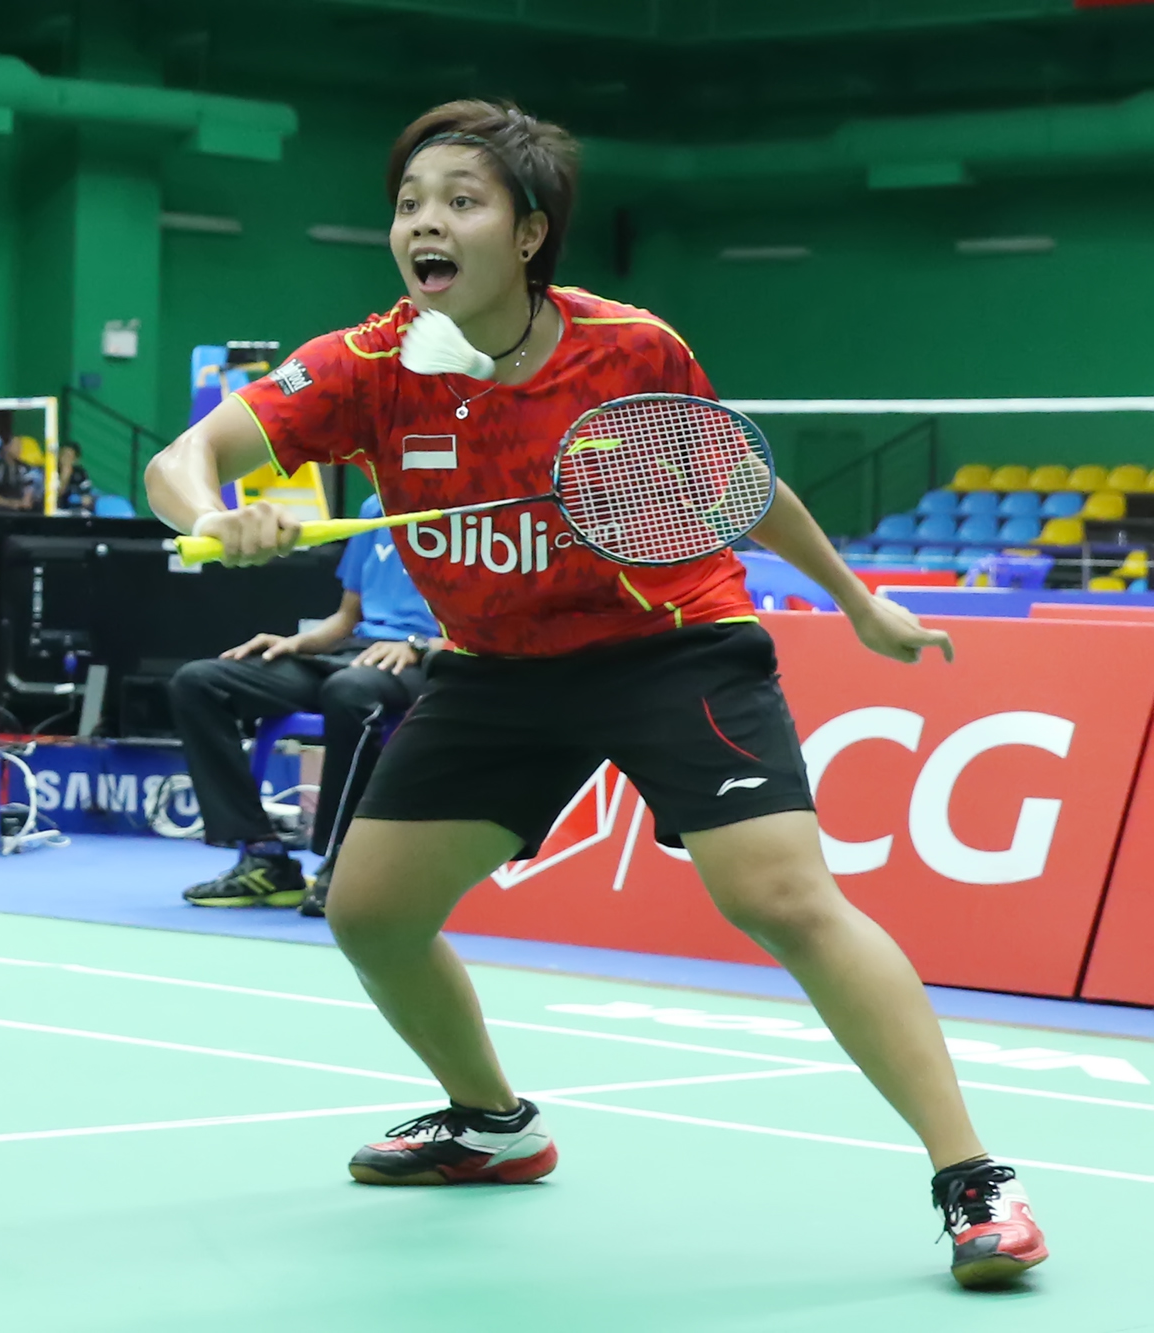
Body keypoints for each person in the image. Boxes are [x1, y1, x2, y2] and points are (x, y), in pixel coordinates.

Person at [142, 98, 1045, 1291]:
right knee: (369, 912)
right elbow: (181, 460)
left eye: (460, 201)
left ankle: (972, 1177)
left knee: (778, 896)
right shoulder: (362, 367)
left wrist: (854, 600)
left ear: (527, 234)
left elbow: (737, 481)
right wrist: (213, 515)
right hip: (494, 668)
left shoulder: (627, 349)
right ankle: (490, 1123)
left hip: (667, 646)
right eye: (409, 204)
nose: (424, 223)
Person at [170, 492, 438, 916]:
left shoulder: (472, 511)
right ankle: (263, 856)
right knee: (199, 682)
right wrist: (296, 644)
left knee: (349, 691)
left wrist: (419, 645)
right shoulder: (375, 507)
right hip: (355, 653)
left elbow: (492, 628)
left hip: (428, 659)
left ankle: (343, 860)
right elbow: (347, 617)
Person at [0, 434, 39, 512]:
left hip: (19, 507)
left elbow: (28, 491)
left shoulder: (25, 468)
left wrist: (24, 502)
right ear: (6, 447)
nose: (19, 449)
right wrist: (9, 503)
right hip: (0, 507)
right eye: (16, 446)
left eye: (20, 446)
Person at [56, 440, 96, 514]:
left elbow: (87, 496)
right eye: (63, 455)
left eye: (69, 456)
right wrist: (64, 476)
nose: (65, 459)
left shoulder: (80, 474)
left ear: (75, 460)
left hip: (75, 510)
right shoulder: (52, 471)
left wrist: (82, 499)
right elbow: (54, 497)